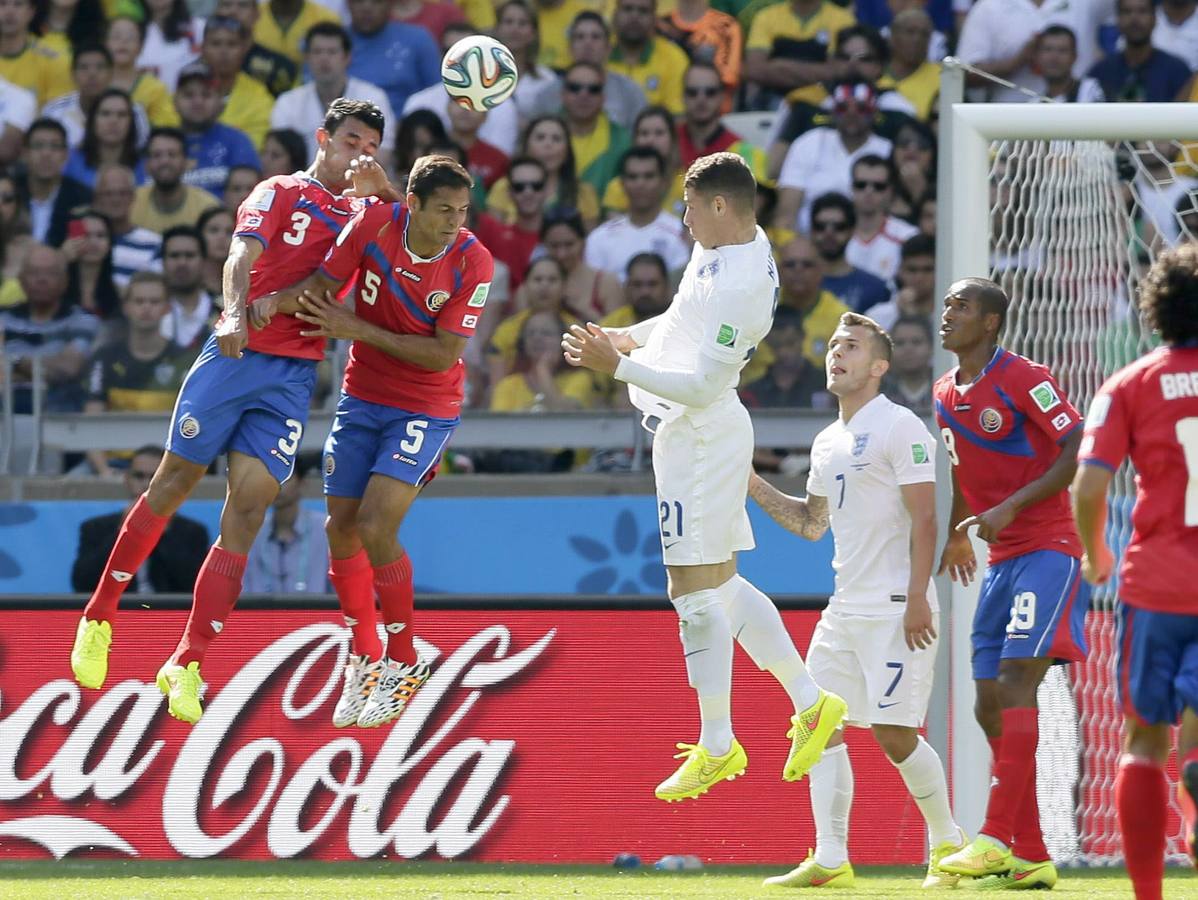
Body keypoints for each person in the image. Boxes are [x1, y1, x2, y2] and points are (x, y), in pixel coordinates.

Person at [68, 98, 396, 727]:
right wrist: (233, 311)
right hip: (233, 356)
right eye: (351, 139)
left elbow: (335, 284)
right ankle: (100, 615)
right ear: (323, 138)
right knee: (173, 480)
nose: (360, 153)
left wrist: (379, 204)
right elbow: (239, 257)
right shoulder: (279, 192)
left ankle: (187, 662)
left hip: (291, 376)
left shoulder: (365, 216)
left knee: (248, 506)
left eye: (371, 146)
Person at [562, 152, 846, 801]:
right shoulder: (728, 245)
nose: (683, 220)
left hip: (698, 434)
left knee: (691, 595)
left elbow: (702, 385)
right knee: (718, 586)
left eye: (689, 207)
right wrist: (626, 337)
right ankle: (810, 702)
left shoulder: (741, 284)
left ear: (718, 206)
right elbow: (682, 320)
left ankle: (718, 744)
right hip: (699, 434)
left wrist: (617, 368)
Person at [250, 155, 494, 730]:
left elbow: (443, 355)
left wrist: (354, 328)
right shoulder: (373, 225)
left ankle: (406, 659)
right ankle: (363, 650)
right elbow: (322, 289)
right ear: (411, 205)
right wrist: (260, 300)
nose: (455, 222)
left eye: (462, 210)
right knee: (340, 526)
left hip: (426, 404)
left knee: (377, 526)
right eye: (443, 210)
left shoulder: (472, 262)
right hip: (363, 395)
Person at [752, 312, 964, 889]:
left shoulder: (901, 428)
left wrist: (919, 596)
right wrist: (749, 481)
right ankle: (830, 856)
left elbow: (926, 519)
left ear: (879, 366)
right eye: (834, 345)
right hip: (843, 609)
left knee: (895, 737)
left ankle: (948, 844)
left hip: (897, 607)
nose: (836, 353)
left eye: (851, 346)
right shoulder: (827, 441)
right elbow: (810, 523)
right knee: (819, 724)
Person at [934, 277, 1089, 890]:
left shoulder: (1025, 377)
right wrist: (953, 533)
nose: (948, 315)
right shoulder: (946, 389)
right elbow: (961, 470)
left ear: (991, 322)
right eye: (946, 304)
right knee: (986, 704)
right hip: (999, 560)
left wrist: (1011, 507)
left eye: (962, 306)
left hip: (1049, 549)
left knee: (1016, 679)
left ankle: (993, 838)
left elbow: (1077, 446)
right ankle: (1030, 850)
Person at [1070, 244, 1198, 900]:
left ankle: (1149, 894)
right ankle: (1197, 795)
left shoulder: (1129, 384)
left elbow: (1089, 487)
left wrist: (1097, 553)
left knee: (1144, 741)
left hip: (1158, 587)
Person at [82, 272, 193, 477]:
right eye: (139, 301)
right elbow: (91, 424)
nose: (146, 308)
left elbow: (191, 427)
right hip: (113, 464)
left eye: (154, 301)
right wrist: (104, 471)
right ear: (126, 307)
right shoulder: (104, 358)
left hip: (165, 467)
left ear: (167, 308)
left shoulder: (184, 362)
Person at [70, 445, 208, 593]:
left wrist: (163, 530)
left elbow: (194, 586)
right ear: (127, 479)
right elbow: (82, 583)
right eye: (139, 476)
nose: (146, 484)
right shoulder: (96, 528)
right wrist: (123, 531)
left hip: (167, 611)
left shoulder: (192, 531)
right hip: (119, 609)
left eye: (155, 477)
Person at [243, 454, 329, 594]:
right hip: (259, 614)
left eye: (285, 479)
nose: (277, 485)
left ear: (302, 483)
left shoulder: (325, 530)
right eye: (271, 478)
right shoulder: (250, 532)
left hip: (316, 614)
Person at [132, 128, 221, 234]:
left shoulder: (207, 207)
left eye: (172, 154)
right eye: (157, 155)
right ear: (146, 164)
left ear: (186, 162)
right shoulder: (130, 203)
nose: (165, 161)